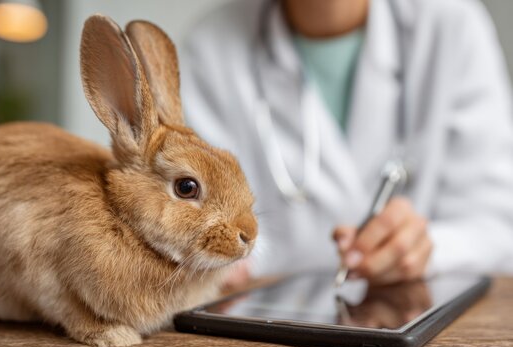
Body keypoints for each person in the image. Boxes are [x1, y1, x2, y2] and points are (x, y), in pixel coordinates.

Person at [180, 0, 513, 285]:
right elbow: (197, 220)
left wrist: (430, 247)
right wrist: (222, 263)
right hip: (273, 329)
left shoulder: (453, 24)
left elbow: (498, 227)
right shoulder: (210, 50)